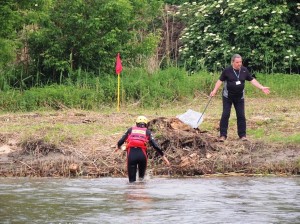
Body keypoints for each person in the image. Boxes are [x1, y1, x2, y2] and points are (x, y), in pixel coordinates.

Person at [210, 54, 270, 142]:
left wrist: (261, 87)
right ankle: (223, 135)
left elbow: (252, 80)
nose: (239, 64)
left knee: (241, 115)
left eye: (240, 62)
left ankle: (242, 136)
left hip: (239, 97)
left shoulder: (244, 70)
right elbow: (220, 81)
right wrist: (214, 90)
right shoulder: (227, 71)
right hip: (228, 97)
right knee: (226, 114)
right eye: (237, 62)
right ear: (232, 62)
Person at [116, 115, 170, 183]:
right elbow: (155, 145)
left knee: (131, 182)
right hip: (142, 156)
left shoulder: (130, 130)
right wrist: (163, 157)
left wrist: (118, 147)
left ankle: (131, 193)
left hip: (131, 156)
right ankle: (142, 192)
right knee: (142, 180)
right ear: (146, 124)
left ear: (136, 123)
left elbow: (120, 141)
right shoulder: (147, 132)